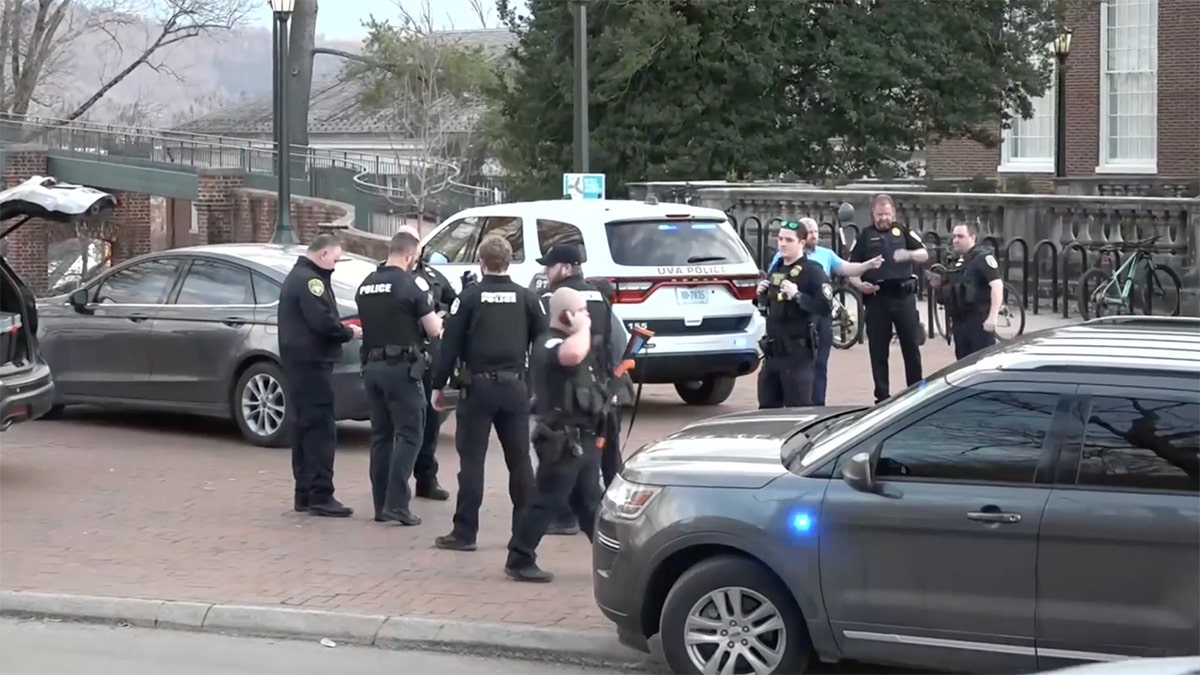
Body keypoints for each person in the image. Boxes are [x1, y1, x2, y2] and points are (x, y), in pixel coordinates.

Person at [429, 236, 544, 552]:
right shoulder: (526, 298)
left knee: (473, 461)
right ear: (509, 261)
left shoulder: (469, 298)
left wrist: (438, 385)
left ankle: (465, 533)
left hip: (477, 387)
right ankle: (523, 535)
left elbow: (448, 345)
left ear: (481, 261)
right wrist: (532, 382)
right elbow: (543, 341)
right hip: (515, 387)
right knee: (519, 461)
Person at [505, 287, 606, 582]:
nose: (588, 316)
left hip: (582, 439)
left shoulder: (576, 342)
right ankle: (520, 557)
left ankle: (614, 558)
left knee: (589, 504)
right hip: (561, 440)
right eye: (582, 310)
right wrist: (584, 326)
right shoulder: (549, 343)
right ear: (566, 315)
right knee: (547, 500)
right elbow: (572, 355)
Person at [529, 244, 624, 536]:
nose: (547, 271)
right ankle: (609, 518)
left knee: (561, 460)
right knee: (603, 458)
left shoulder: (551, 299)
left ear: (566, 268)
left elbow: (540, 342)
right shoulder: (600, 298)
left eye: (551, 266)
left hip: (561, 392)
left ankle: (558, 519)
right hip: (598, 392)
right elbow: (617, 341)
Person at [355, 230, 443, 526]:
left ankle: (381, 505)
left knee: (381, 437)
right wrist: (440, 320)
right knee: (409, 434)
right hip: (401, 370)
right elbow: (432, 330)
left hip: (372, 368)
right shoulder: (411, 284)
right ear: (409, 255)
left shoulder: (366, 284)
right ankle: (397, 503)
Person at [278, 234, 361, 518]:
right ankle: (320, 494)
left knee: (303, 427)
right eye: (335, 260)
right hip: (312, 364)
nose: (335, 266)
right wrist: (348, 332)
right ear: (323, 255)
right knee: (320, 429)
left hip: (299, 364)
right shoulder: (310, 281)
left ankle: (304, 492)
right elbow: (322, 322)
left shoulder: (297, 277)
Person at [768, 218, 883, 405]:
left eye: (815, 232)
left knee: (819, 364)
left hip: (819, 316)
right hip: (794, 318)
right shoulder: (782, 259)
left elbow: (846, 268)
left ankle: (817, 404)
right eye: (810, 231)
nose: (814, 235)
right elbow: (772, 282)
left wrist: (867, 265)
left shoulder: (824, 255)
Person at [846, 194, 929, 403]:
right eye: (880, 214)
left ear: (893, 213)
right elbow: (850, 268)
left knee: (911, 346)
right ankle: (882, 397)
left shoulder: (903, 231)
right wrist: (859, 284)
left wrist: (908, 254)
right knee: (878, 350)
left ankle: (916, 392)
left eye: (887, 214)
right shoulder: (865, 236)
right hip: (877, 298)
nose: (884, 218)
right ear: (873, 213)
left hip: (903, 297)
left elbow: (924, 254)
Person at [395, 225, 455, 502]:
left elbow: (454, 304)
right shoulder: (393, 276)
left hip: (430, 358)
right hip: (403, 360)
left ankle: (426, 479)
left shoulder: (432, 276)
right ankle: (396, 484)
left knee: (430, 423)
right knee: (403, 426)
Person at [755, 220, 834, 408]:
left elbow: (824, 307)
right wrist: (759, 296)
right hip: (773, 355)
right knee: (766, 408)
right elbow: (769, 307)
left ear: (802, 243)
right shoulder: (778, 268)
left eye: (788, 240)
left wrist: (798, 295)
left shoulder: (812, 271)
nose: (782, 244)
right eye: (780, 239)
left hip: (797, 355)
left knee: (797, 409)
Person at [937, 222, 1003, 359]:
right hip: (958, 322)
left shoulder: (983, 258)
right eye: (954, 236)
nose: (955, 240)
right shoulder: (955, 262)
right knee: (963, 365)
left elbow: (997, 285)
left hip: (978, 322)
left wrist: (993, 316)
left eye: (960, 236)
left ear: (973, 238)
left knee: (983, 363)